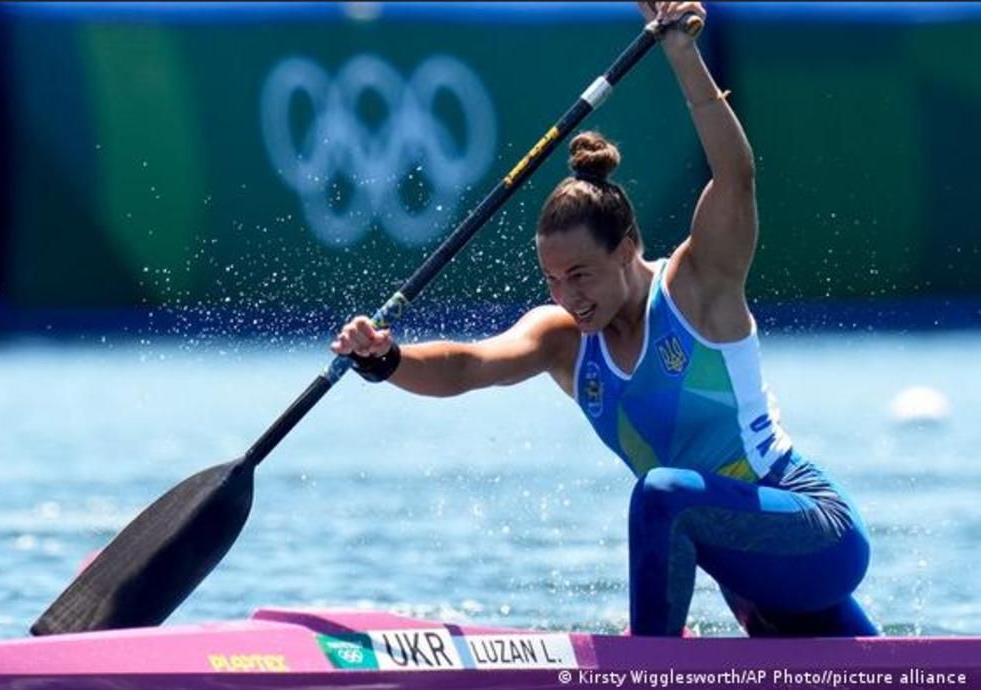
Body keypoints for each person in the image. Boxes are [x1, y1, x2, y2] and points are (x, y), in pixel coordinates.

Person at [331, 1, 877, 637]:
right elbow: (468, 367)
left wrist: (681, 54)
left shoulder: (698, 288)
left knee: (663, 496)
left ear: (627, 249)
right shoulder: (563, 340)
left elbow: (736, 173)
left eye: (581, 276)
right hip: (746, 576)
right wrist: (385, 360)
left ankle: (648, 663)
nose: (567, 297)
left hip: (812, 534)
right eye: (553, 280)